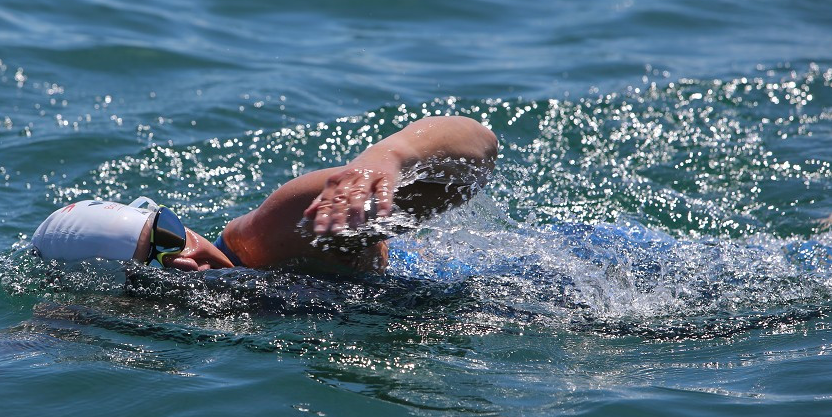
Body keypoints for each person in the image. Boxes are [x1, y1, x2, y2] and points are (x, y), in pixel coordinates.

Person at [31, 116, 498, 275]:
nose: (188, 258)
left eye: (170, 234)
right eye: (156, 261)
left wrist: (387, 157)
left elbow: (480, 147)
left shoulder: (274, 236)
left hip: (529, 282)